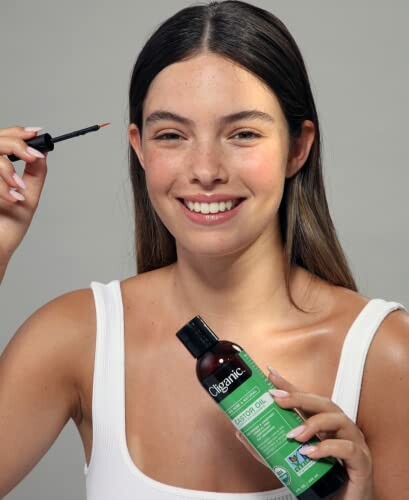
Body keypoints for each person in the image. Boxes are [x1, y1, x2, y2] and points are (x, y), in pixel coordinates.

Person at [1, 1, 408, 499]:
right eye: (172, 135)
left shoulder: (387, 355)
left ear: (298, 147)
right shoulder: (75, 336)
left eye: (243, 134)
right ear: (140, 147)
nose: (206, 170)